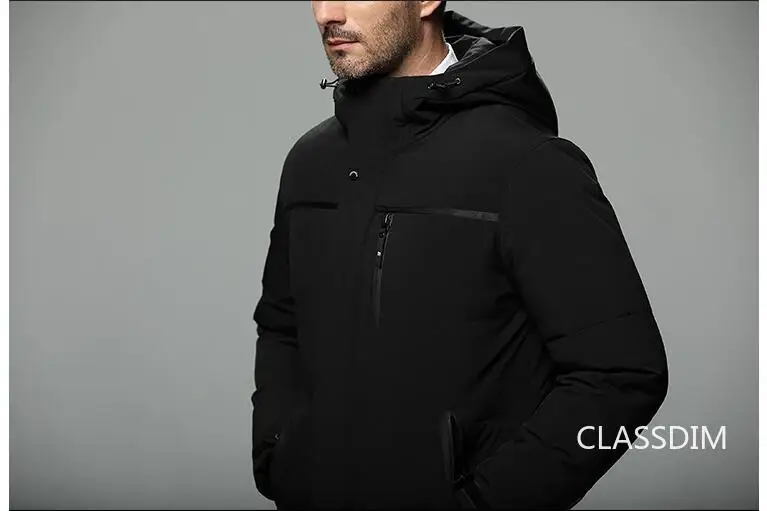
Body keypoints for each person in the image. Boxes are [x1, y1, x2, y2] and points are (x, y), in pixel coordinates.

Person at [250, 1, 669, 509]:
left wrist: (484, 503)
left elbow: (623, 374)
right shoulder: (310, 162)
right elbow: (281, 323)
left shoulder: (527, 164)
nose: (326, 14)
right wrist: (279, 450)